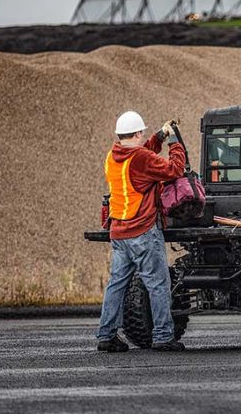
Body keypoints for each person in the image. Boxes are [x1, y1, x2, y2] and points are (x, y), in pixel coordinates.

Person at [96, 111, 186, 352]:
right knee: (157, 284)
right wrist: (174, 141)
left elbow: (143, 152)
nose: (144, 136)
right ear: (137, 133)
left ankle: (106, 335)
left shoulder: (112, 157)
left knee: (116, 284)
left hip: (119, 233)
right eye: (142, 133)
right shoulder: (142, 159)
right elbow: (175, 170)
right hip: (143, 232)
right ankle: (164, 336)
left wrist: (160, 135)